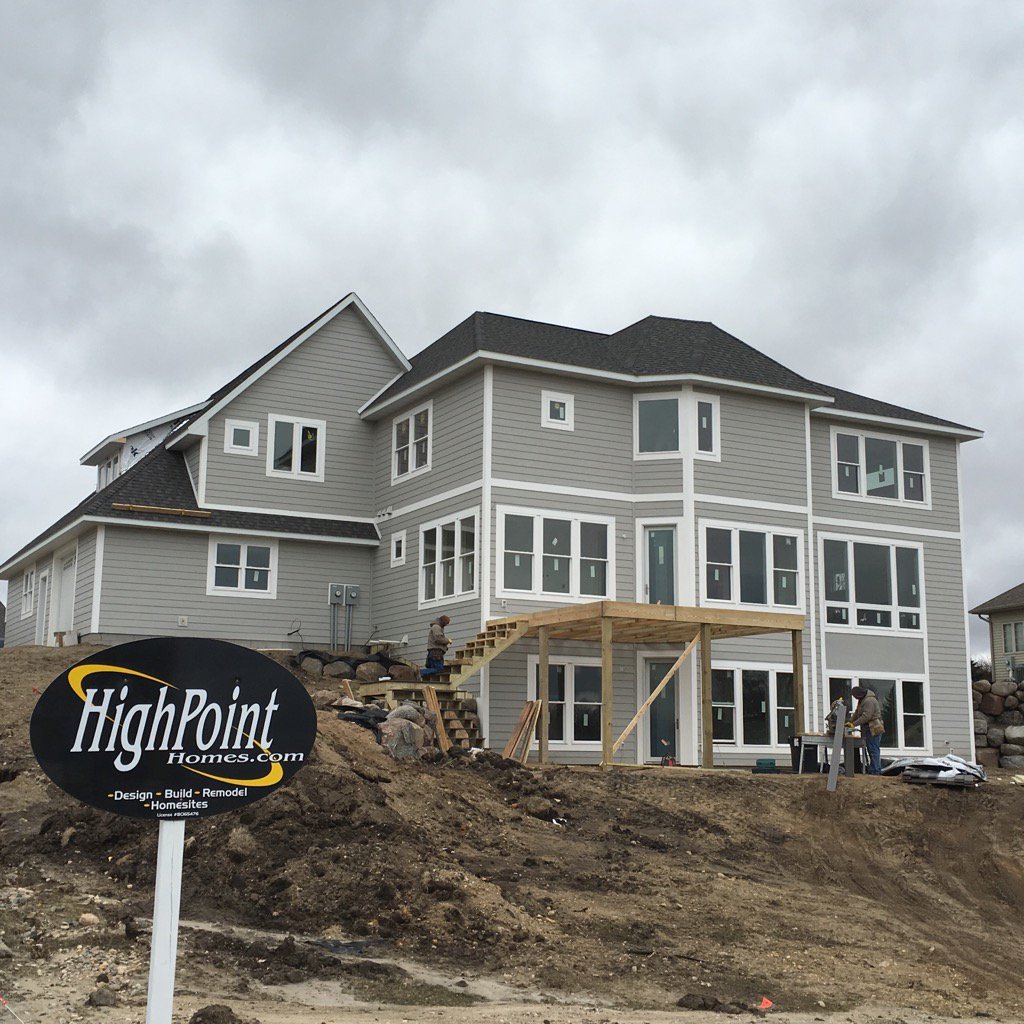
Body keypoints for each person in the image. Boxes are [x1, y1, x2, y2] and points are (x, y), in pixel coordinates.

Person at [850, 685, 885, 775]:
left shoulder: (869, 701)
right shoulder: (862, 700)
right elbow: (857, 713)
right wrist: (849, 721)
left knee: (873, 749)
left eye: (855, 697)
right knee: (870, 748)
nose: (855, 698)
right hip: (868, 728)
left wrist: (853, 724)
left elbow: (866, 716)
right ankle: (873, 769)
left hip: (874, 726)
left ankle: (876, 771)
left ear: (859, 695)